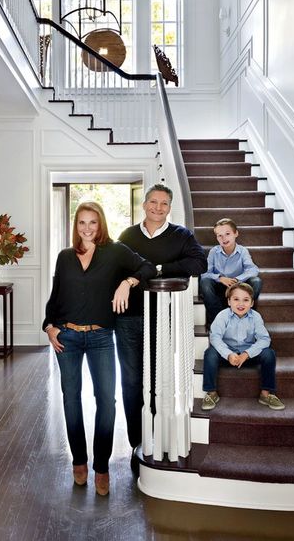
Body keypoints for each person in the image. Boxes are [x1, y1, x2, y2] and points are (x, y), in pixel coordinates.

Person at [43, 201, 156, 496]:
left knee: (107, 401)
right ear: (75, 225)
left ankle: (102, 466)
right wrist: (49, 325)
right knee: (71, 400)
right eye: (82, 222)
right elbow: (56, 296)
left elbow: (147, 267)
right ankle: (79, 461)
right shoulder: (65, 257)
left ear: (101, 224)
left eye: (93, 222)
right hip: (66, 336)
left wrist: (127, 283)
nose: (87, 228)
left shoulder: (115, 251)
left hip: (102, 337)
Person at [116, 184, 207, 468]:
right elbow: (117, 270)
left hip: (163, 318)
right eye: (153, 202)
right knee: (131, 381)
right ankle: (137, 441)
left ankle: (158, 434)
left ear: (170, 207)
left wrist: (155, 269)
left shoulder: (182, 235)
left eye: (164, 203)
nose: (158, 207)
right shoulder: (127, 236)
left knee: (159, 379)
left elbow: (198, 264)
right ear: (144, 205)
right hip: (129, 317)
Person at [201, 282, 285, 411]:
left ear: (251, 303)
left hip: (248, 355)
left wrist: (246, 354)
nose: (241, 304)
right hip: (228, 355)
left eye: (246, 300)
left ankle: (266, 394)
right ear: (229, 301)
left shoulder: (255, 317)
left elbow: (264, 339)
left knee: (269, 354)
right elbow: (215, 337)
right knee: (210, 353)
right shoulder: (223, 316)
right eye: (236, 299)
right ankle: (211, 393)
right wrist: (228, 354)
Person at [200, 218, 262, 329]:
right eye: (219, 235)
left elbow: (253, 270)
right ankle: (218, 321)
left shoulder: (242, 251)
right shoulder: (214, 251)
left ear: (236, 233)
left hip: (238, 287)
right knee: (205, 282)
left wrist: (237, 280)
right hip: (220, 286)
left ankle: (243, 317)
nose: (223, 238)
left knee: (256, 281)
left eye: (227, 234)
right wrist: (220, 278)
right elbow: (205, 273)